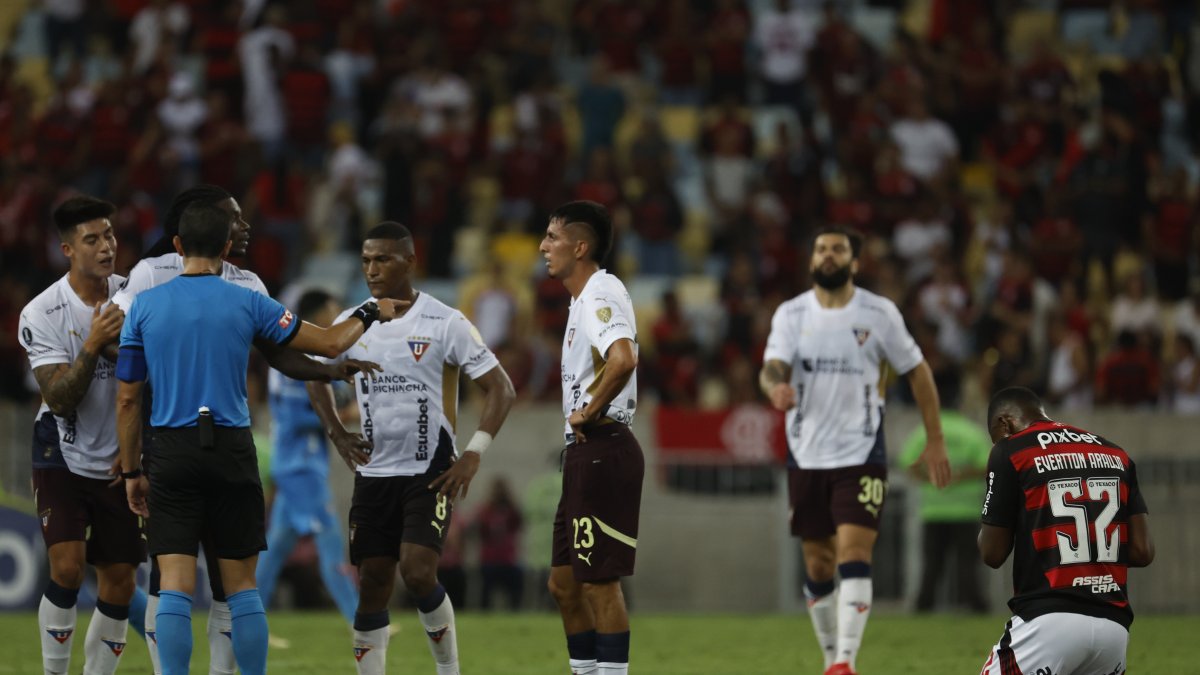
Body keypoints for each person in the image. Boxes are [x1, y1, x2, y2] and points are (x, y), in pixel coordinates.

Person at [115, 202, 402, 675]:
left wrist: (131, 470)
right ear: (227, 249)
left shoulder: (144, 306)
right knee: (243, 586)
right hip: (231, 446)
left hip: (170, 449)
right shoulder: (247, 300)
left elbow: (127, 401)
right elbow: (330, 341)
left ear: (179, 246)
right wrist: (372, 310)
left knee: (175, 586)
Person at [306, 221, 516, 675]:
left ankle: (449, 670)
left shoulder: (445, 321)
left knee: (418, 571)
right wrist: (337, 433)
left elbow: (501, 389)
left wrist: (474, 452)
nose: (371, 269)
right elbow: (314, 372)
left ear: (409, 260)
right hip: (375, 474)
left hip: (430, 472)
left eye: (382, 259)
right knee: (374, 581)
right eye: (365, 260)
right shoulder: (351, 322)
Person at [758, 225, 951, 675]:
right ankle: (830, 657)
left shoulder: (878, 313)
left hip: (862, 452)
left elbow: (918, 371)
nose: (828, 255)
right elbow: (771, 368)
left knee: (854, 553)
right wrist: (774, 390)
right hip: (806, 454)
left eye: (838, 249)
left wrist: (935, 438)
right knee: (818, 562)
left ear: (854, 263)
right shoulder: (791, 314)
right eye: (821, 248)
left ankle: (845, 661)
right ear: (811, 260)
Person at [19, 196, 144, 675]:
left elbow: (153, 379)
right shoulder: (42, 312)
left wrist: (138, 450)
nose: (106, 246)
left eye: (109, 235)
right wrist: (92, 344)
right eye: (92, 239)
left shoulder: (136, 295)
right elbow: (60, 397)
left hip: (118, 451)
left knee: (119, 582)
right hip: (60, 446)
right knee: (68, 568)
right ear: (68, 249)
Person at [978, 387, 1154, 675]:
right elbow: (1142, 551)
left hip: (1048, 621)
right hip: (1114, 628)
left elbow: (992, 553)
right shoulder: (1115, 453)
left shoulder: (1011, 450)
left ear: (1004, 423)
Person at [538, 200, 644, 675]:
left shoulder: (600, 292)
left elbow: (622, 358)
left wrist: (589, 409)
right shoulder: (583, 299)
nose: (543, 246)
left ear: (580, 247)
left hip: (603, 447)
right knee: (563, 583)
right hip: (586, 451)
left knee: (601, 585)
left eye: (552, 237)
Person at [255, 289, 359, 623]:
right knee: (330, 543)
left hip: (299, 464)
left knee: (274, 553)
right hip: (300, 465)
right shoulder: (291, 358)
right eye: (334, 309)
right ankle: (361, 620)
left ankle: (244, 620)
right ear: (319, 315)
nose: (339, 315)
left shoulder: (308, 356)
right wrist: (345, 417)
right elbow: (293, 418)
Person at [898, 405, 991, 613]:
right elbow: (987, 465)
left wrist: (931, 479)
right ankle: (977, 607)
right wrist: (958, 477)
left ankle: (923, 606)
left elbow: (908, 464)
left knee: (932, 564)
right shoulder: (970, 431)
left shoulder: (924, 433)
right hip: (966, 510)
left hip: (933, 510)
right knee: (967, 564)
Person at [475, 477, 524, 611]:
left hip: (507, 558)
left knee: (514, 591)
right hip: (489, 559)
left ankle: (515, 612)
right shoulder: (486, 510)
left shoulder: (512, 510)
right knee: (486, 592)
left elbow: (518, 524)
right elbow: (480, 529)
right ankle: (484, 614)